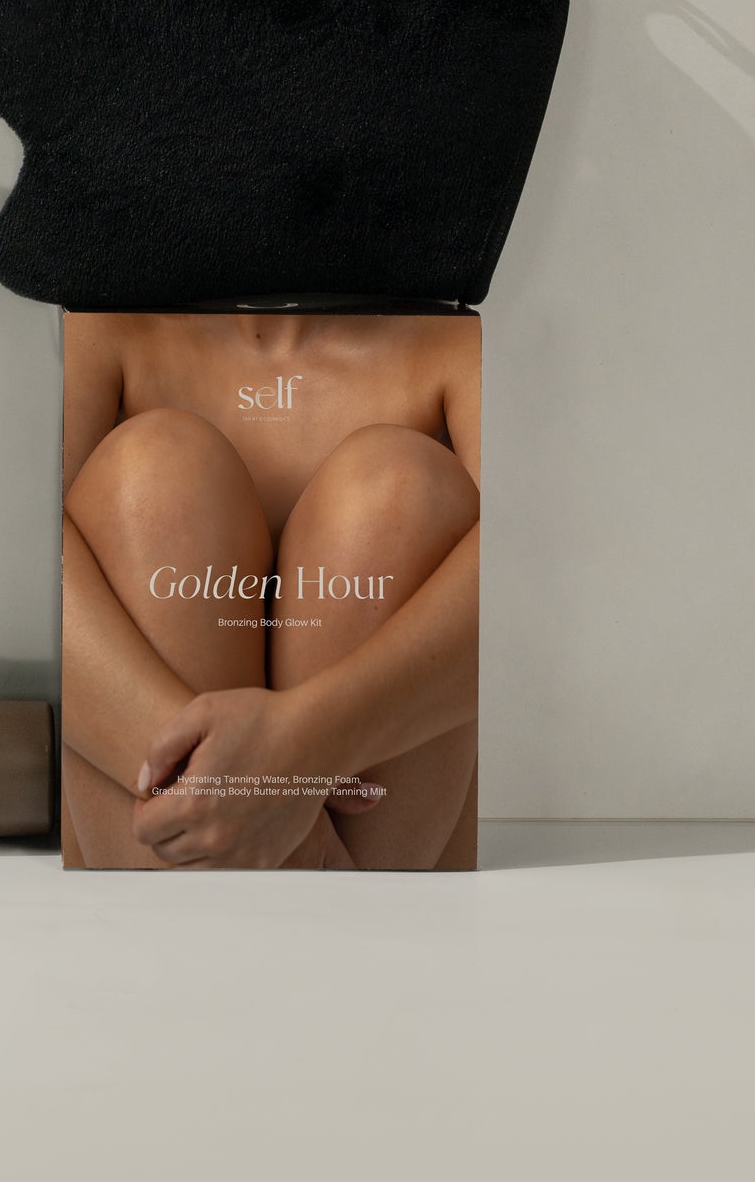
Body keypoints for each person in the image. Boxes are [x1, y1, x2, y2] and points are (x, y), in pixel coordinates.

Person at [61, 310, 480, 870]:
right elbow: (18, 555)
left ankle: (318, 906)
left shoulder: (456, 346)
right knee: (155, 470)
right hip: (186, 863)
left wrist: (302, 751)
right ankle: (311, 901)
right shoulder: (103, 334)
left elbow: (527, 585)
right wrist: (234, 791)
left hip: (380, 858)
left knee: (397, 487)